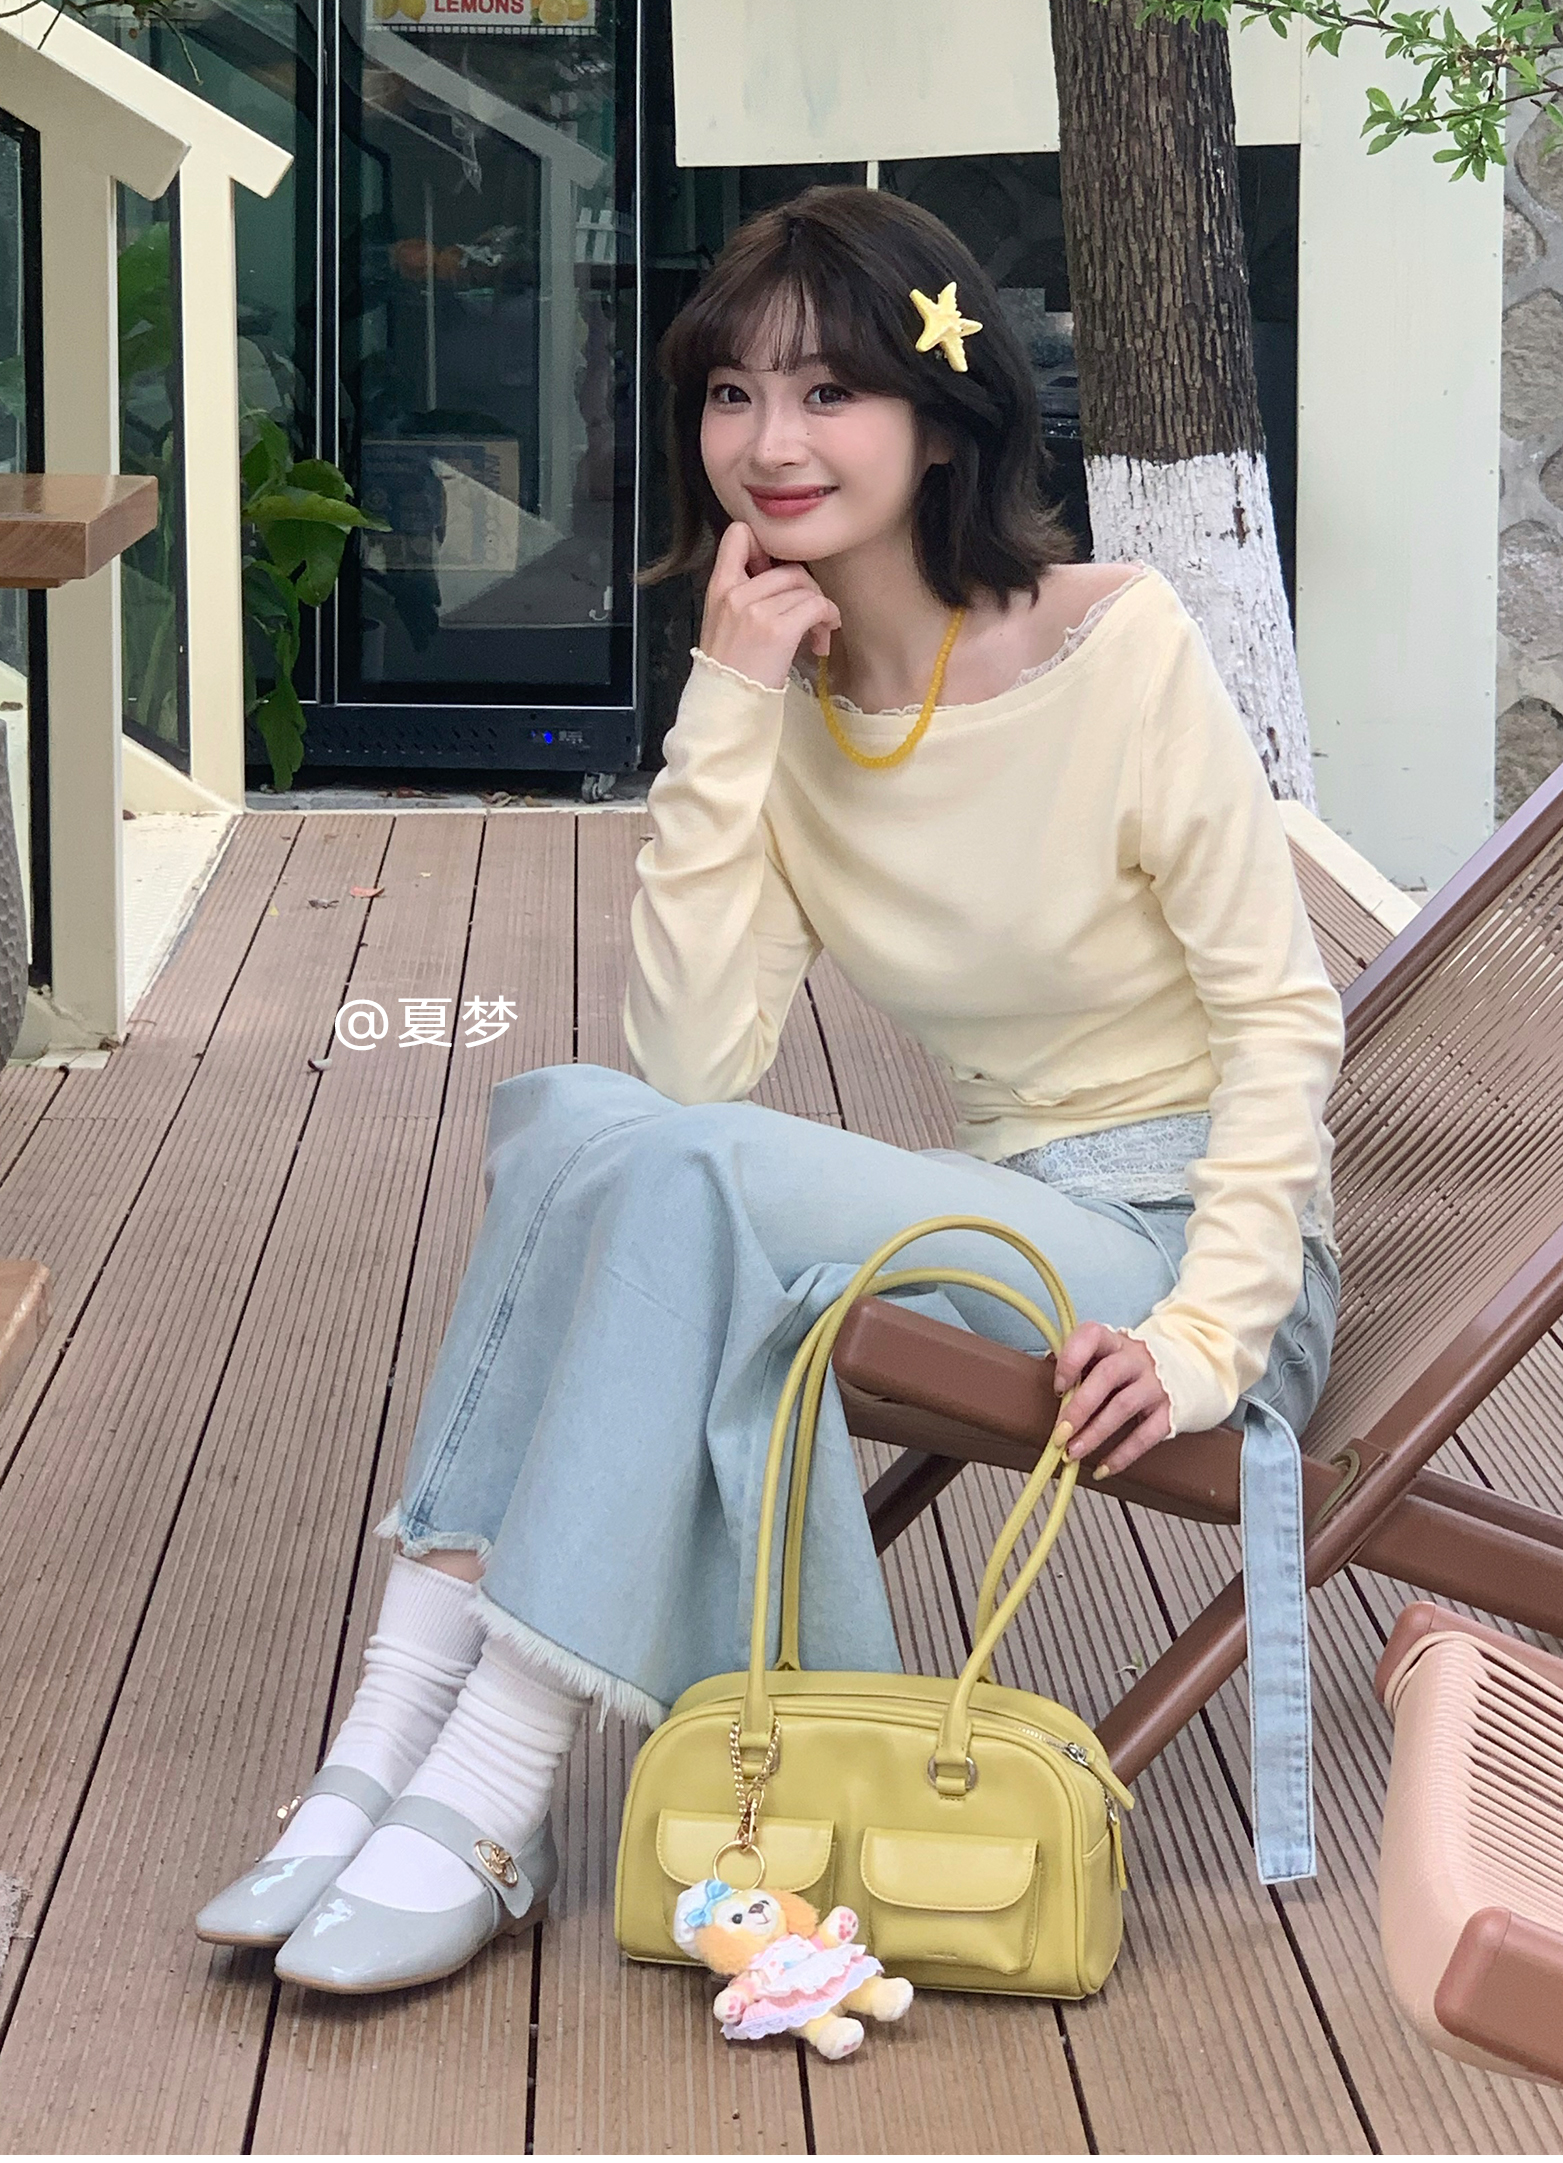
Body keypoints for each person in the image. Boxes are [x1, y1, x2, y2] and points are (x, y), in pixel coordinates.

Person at [195, 186, 1344, 1994]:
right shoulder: (788, 703)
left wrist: (1208, 1336)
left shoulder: (1121, 647)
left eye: (827, 392)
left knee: (691, 1176)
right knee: (581, 1119)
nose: (770, 441)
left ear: (940, 415)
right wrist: (728, 706)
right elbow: (687, 1066)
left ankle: (488, 1789)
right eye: (732, 393)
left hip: (1178, 1266)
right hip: (1009, 1217)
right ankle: (388, 1735)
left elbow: (1282, 1018)